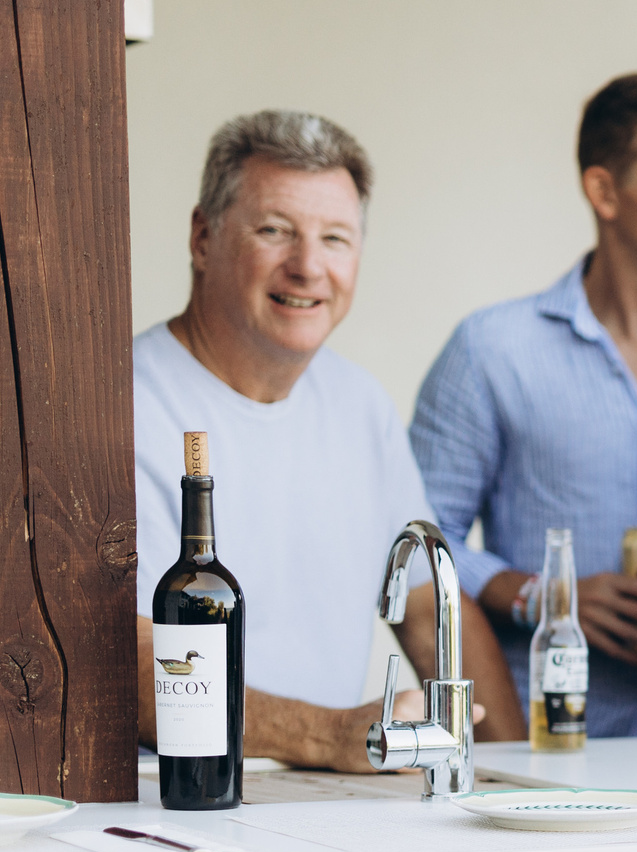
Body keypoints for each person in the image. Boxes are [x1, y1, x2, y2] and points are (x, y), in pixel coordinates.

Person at [132, 109, 519, 770]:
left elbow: (427, 610)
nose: (308, 266)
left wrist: (520, 768)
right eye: (274, 230)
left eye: (335, 238)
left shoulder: (359, 403)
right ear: (202, 237)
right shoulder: (123, 404)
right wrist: (329, 736)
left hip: (329, 799)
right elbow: (119, 657)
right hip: (168, 804)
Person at [415, 74, 637, 738]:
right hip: (551, 738)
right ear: (604, 191)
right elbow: (414, 539)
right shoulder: (492, 350)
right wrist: (532, 592)